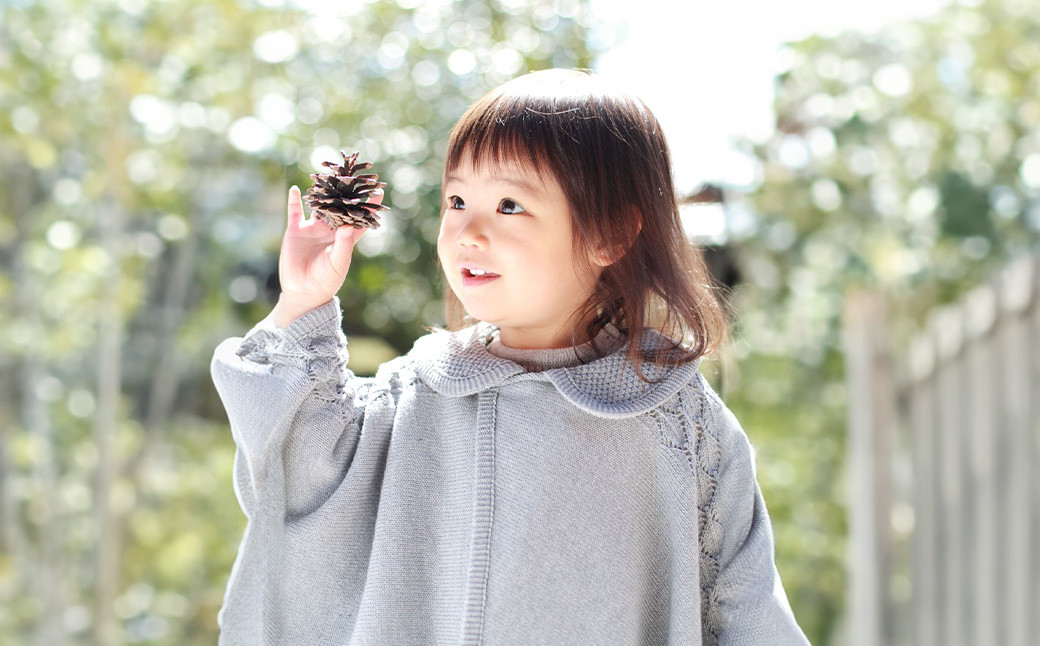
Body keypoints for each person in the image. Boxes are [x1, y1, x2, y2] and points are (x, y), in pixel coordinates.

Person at [211, 68, 809, 645]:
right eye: (456, 201)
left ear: (609, 233)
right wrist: (303, 303)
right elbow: (292, 472)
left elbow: (743, 604)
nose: (469, 232)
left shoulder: (677, 424)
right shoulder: (410, 397)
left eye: (509, 206)